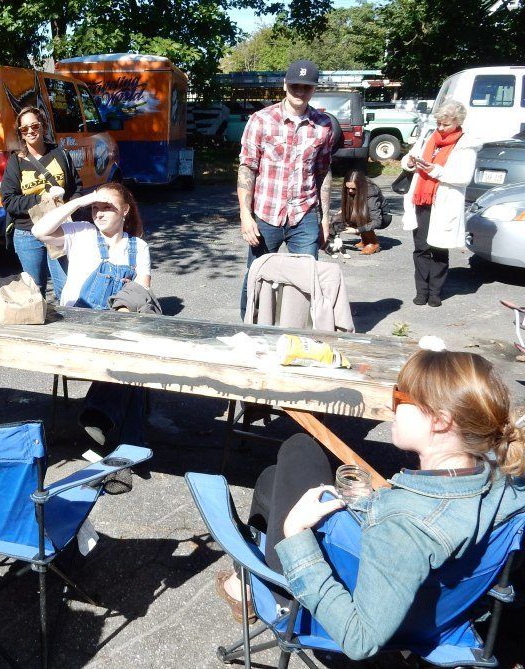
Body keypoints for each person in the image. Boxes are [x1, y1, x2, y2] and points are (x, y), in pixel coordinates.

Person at [215, 348, 525, 661]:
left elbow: (360, 639)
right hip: (439, 610)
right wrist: (373, 505)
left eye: (400, 399)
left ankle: (259, 588)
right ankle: (242, 583)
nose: (391, 408)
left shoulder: (403, 524)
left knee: (299, 447)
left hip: (348, 595)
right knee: (272, 479)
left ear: (440, 422)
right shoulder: (510, 487)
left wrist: (295, 533)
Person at [32, 182, 151, 452]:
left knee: (132, 358)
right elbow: (39, 231)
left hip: (116, 325)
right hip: (76, 323)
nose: (98, 213)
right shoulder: (81, 232)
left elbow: (143, 290)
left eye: (106, 207)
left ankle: (104, 422)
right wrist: (79, 203)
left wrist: (122, 310)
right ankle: (127, 441)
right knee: (131, 367)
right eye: (95, 208)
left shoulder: (139, 247)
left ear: (125, 210)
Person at [237, 59, 334, 317]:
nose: (300, 92)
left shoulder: (323, 126)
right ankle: (247, 329)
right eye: (295, 86)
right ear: (285, 85)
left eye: (307, 87)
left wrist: (325, 219)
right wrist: (245, 215)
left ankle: (300, 333)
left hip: (304, 214)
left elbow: (323, 172)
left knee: (307, 282)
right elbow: (247, 168)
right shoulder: (261, 120)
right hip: (267, 214)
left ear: (314, 89)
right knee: (256, 276)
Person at [399, 99, 476, 307]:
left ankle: (435, 293)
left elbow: (464, 177)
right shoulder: (428, 136)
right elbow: (408, 158)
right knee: (421, 247)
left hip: (444, 202)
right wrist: (409, 162)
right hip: (421, 198)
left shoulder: (466, 144)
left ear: (457, 122)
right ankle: (421, 291)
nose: (440, 128)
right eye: (439, 123)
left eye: (445, 124)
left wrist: (435, 170)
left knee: (439, 248)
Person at [0, 105, 81, 301]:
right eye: (24, 128)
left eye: (34, 126)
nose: (30, 131)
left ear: (43, 126)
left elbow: (76, 187)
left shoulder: (60, 154)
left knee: (66, 289)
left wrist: (71, 208)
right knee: (35, 293)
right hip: (28, 233)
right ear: (20, 132)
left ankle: (66, 330)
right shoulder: (16, 161)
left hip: (59, 230)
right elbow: (9, 201)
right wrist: (40, 199)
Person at [331, 169, 389, 255]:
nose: (350, 191)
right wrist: (342, 211)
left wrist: (356, 230)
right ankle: (365, 239)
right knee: (337, 218)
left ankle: (373, 243)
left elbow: (377, 221)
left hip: (382, 218)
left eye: (353, 189)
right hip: (362, 212)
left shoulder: (371, 193)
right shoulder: (350, 191)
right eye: (348, 188)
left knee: (358, 215)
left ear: (361, 185)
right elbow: (352, 204)